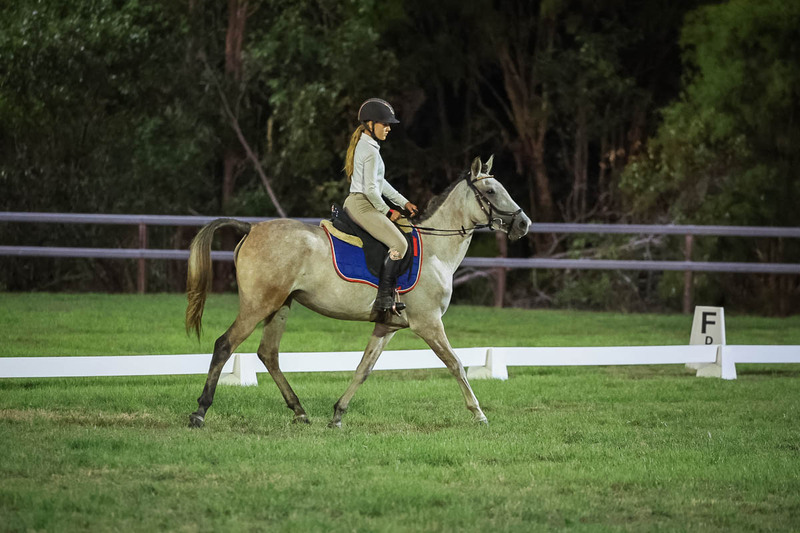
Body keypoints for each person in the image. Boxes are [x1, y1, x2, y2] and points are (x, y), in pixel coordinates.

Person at [343, 98, 418, 318]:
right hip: (362, 204)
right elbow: (370, 190)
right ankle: (384, 297)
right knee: (399, 243)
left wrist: (403, 202)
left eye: (389, 125)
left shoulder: (369, 146)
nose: (388, 129)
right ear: (370, 124)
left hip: (363, 201)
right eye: (384, 124)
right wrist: (388, 211)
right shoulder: (370, 150)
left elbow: (380, 182)